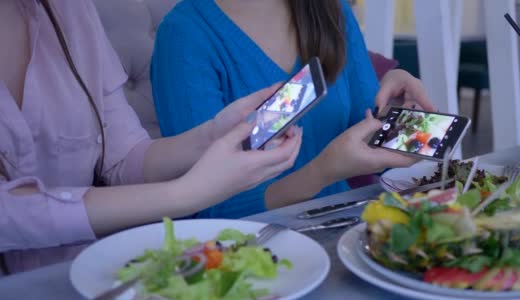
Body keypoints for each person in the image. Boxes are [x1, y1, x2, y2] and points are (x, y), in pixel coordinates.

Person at [0, 0, 301, 273]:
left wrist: (213, 134)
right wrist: (185, 194)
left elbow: (121, 157)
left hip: (88, 278)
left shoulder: (71, 11)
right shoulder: (186, 29)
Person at [151, 0, 435, 218]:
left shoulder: (331, 10)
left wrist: (400, 115)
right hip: (246, 252)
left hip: (348, 229)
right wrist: (320, 173)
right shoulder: (183, 36)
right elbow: (209, 207)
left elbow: (370, 139)